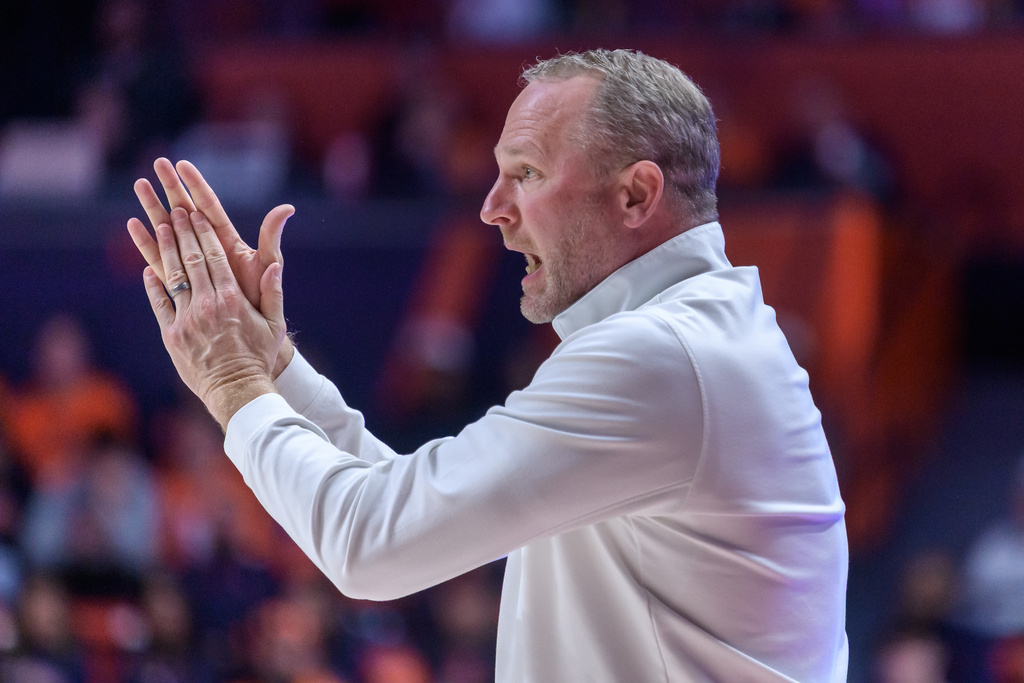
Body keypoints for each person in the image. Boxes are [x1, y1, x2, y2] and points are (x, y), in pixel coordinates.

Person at [127, 49, 849, 681]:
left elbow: (373, 544)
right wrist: (274, 368)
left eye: (526, 174)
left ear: (636, 194)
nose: (492, 208)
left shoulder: (659, 359)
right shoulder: (692, 337)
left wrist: (232, 386)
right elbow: (400, 498)